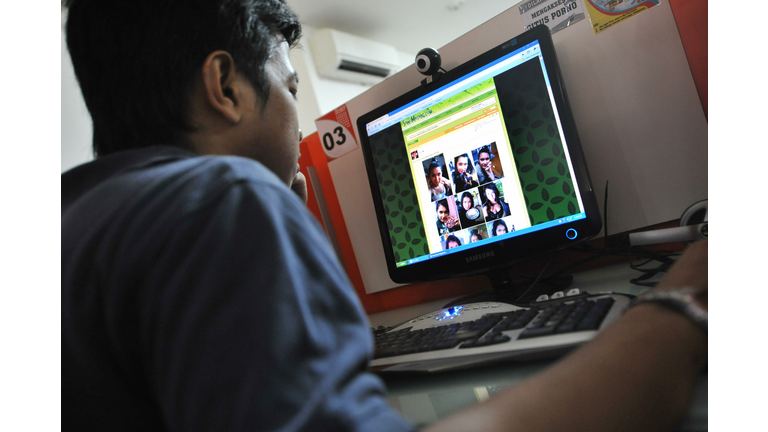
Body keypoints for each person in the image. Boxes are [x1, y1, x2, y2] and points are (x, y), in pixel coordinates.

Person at [62, 1, 707, 431]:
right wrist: (681, 308)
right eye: (291, 88)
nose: (298, 118)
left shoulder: (73, 222)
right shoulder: (221, 199)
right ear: (225, 88)